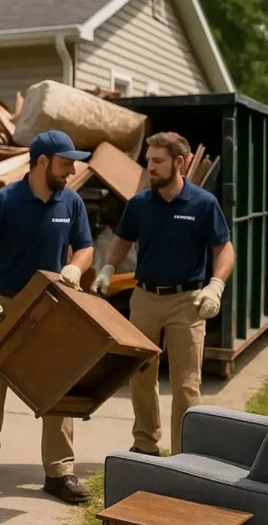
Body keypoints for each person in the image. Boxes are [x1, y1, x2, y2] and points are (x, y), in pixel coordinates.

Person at [0, 129, 95, 505]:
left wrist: (74, 267)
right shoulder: (4, 201)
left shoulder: (71, 202)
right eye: (65, 162)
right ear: (42, 162)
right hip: (7, 302)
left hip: (53, 304)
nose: (71, 170)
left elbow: (84, 247)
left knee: (60, 383)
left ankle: (59, 471)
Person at [91, 131, 234, 457]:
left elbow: (224, 248)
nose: (150, 167)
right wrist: (108, 268)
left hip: (188, 301)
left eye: (157, 161)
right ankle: (146, 445)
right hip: (145, 299)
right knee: (140, 377)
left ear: (179, 163)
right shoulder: (140, 203)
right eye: (148, 160)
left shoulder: (203, 203)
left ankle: (185, 455)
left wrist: (216, 285)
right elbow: (122, 239)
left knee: (186, 385)